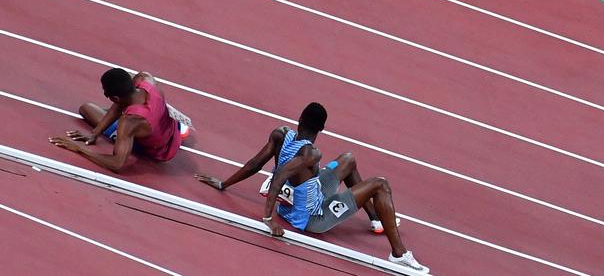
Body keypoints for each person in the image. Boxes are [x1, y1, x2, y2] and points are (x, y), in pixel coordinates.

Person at [195, 102, 428, 273]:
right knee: (380, 184)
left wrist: (224, 183)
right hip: (312, 217)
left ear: (299, 119)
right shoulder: (311, 154)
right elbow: (278, 179)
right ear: (322, 128)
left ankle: (376, 218)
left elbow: (255, 164)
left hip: (302, 196)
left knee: (348, 158)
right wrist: (267, 220)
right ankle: (399, 254)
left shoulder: (281, 134)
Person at [49, 68, 189, 172]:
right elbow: (120, 102)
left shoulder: (128, 122)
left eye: (106, 94)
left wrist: (79, 149)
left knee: (87, 109)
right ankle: (180, 129)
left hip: (159, 150)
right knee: (92, 109)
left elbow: (117, 164)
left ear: (115, 98)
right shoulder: (145, 79)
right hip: (171, 128)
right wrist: (94, 133)